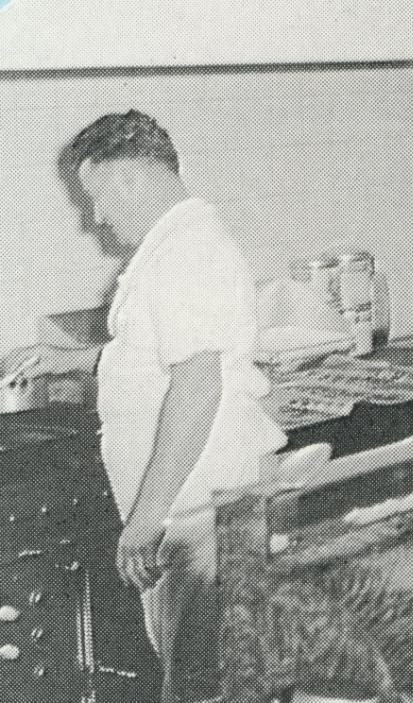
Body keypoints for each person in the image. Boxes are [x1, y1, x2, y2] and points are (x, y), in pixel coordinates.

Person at [3, 110, 286, 701]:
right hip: (201, 503)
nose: (97, 219)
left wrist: (146, 518)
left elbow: (195, 388)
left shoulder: (184, 255)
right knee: (219, 673)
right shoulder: (176, 248)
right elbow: (155, 357)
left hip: (196, 510)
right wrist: (70, 361)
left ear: (130, 179)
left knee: (200, 684)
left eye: (97, 198)